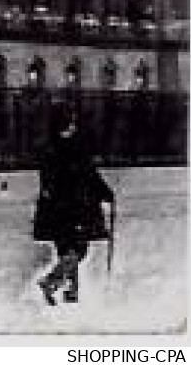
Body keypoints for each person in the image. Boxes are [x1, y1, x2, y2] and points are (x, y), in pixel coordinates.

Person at [33, 116, 115, 305]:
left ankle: (71, 293)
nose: (74, 126)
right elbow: (90, 176)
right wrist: (106, 193)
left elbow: (47, 181)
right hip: (76, 209)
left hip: (54, 210)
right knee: (78, 250)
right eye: (71, 123)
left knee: (66, 250)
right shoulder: (77, 149)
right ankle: (52, 282)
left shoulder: (48, 150)